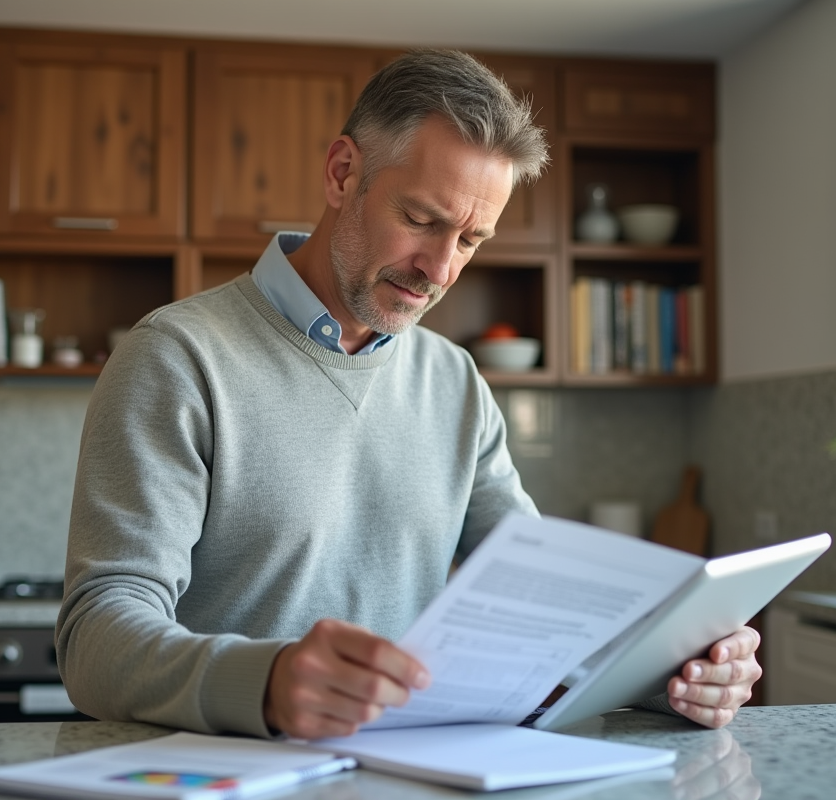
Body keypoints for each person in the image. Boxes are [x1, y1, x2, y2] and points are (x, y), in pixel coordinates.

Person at [56, 48, 761, 741]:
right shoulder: (178, 357)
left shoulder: (454, 382)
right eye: (422, 220)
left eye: (471, 240)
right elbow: (95, 638)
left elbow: (546, 608)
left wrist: (672, 673)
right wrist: (266, 683)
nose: (441, 269)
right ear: (342, 173)